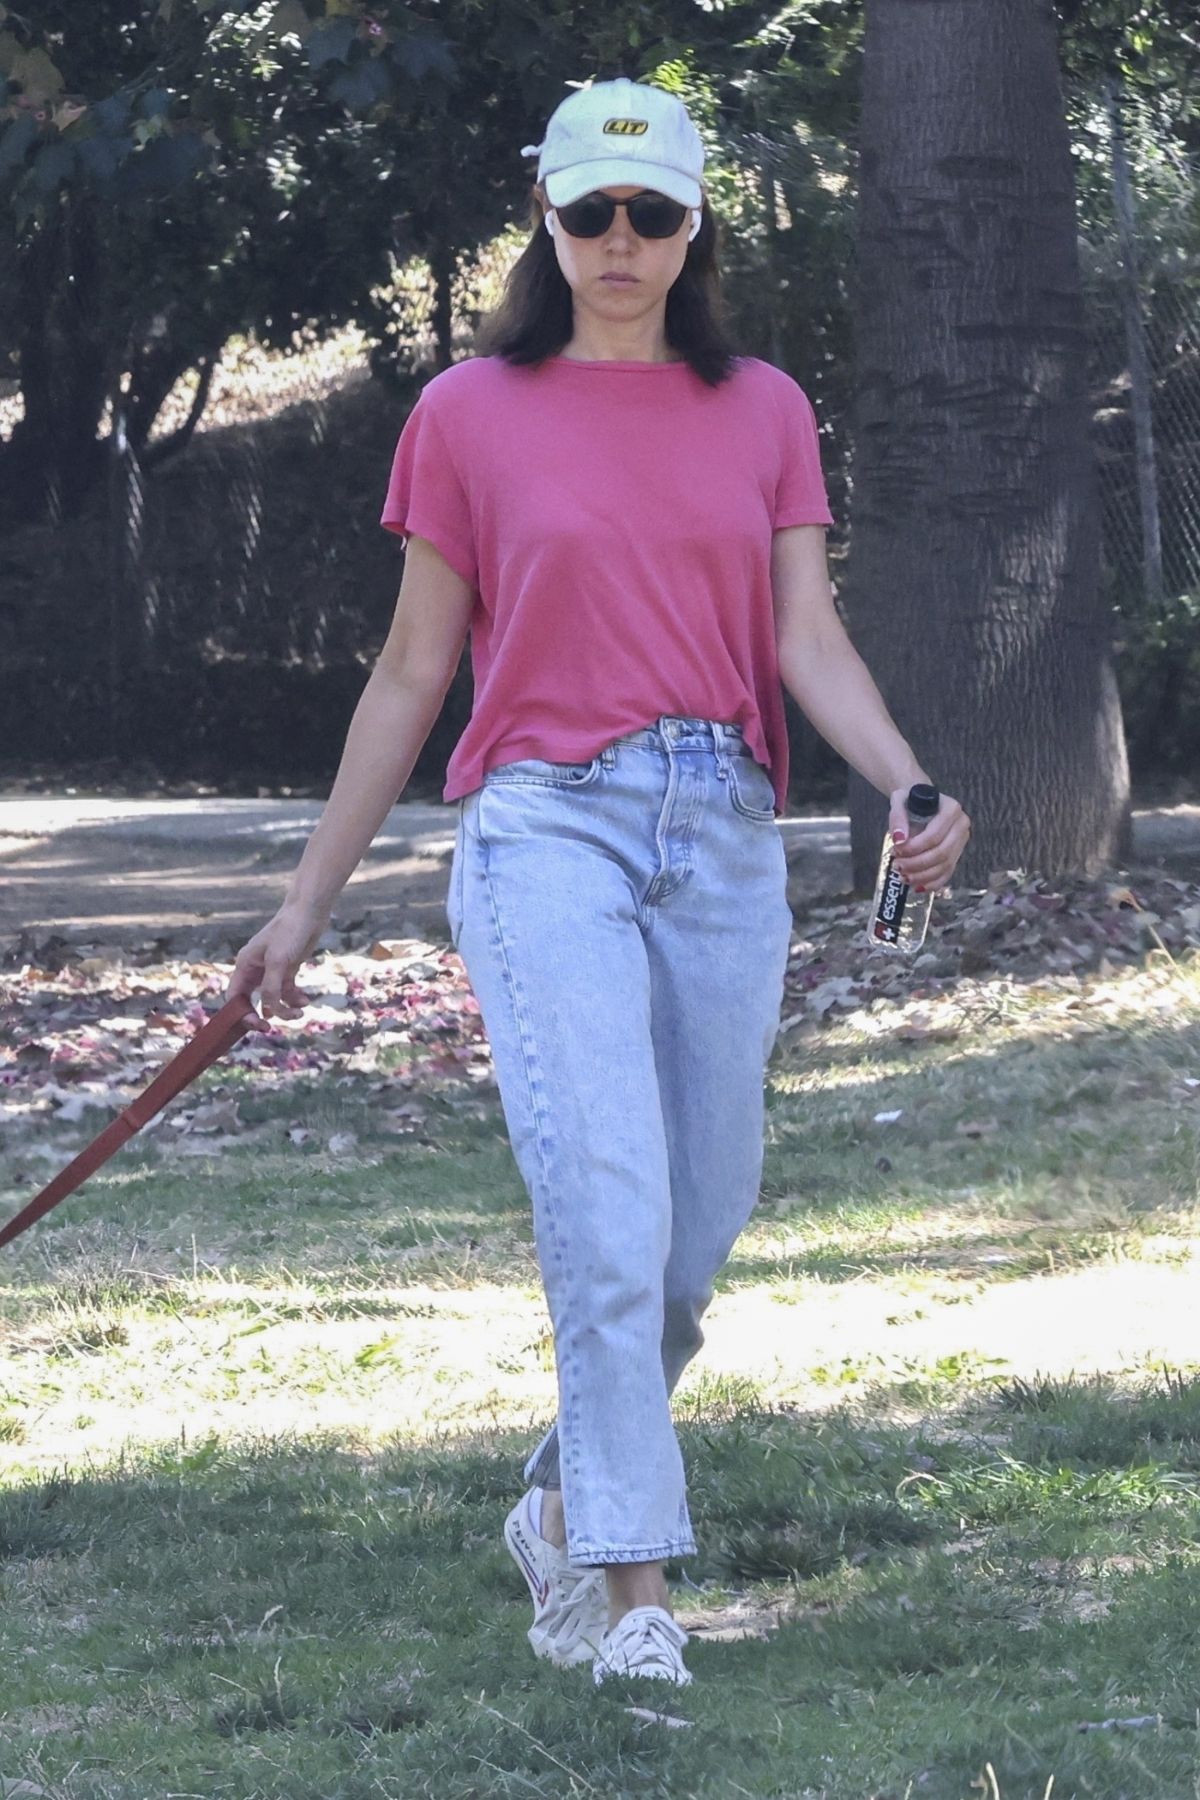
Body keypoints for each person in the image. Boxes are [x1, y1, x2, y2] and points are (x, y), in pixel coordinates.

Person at [226, 77, 971, 1688]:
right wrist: (305, 903)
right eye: (588, 215)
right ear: (547, 224)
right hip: (541, 829)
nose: (619, 243)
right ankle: (630, 1598)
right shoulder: (468, 416)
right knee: (610, 1213)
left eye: (650, 215)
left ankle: (565, 1493)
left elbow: (805, 637)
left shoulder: (763, 404)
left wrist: (906, 777)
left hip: (722, 826)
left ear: (695, 225)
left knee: (697, 1227)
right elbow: (413, 673)